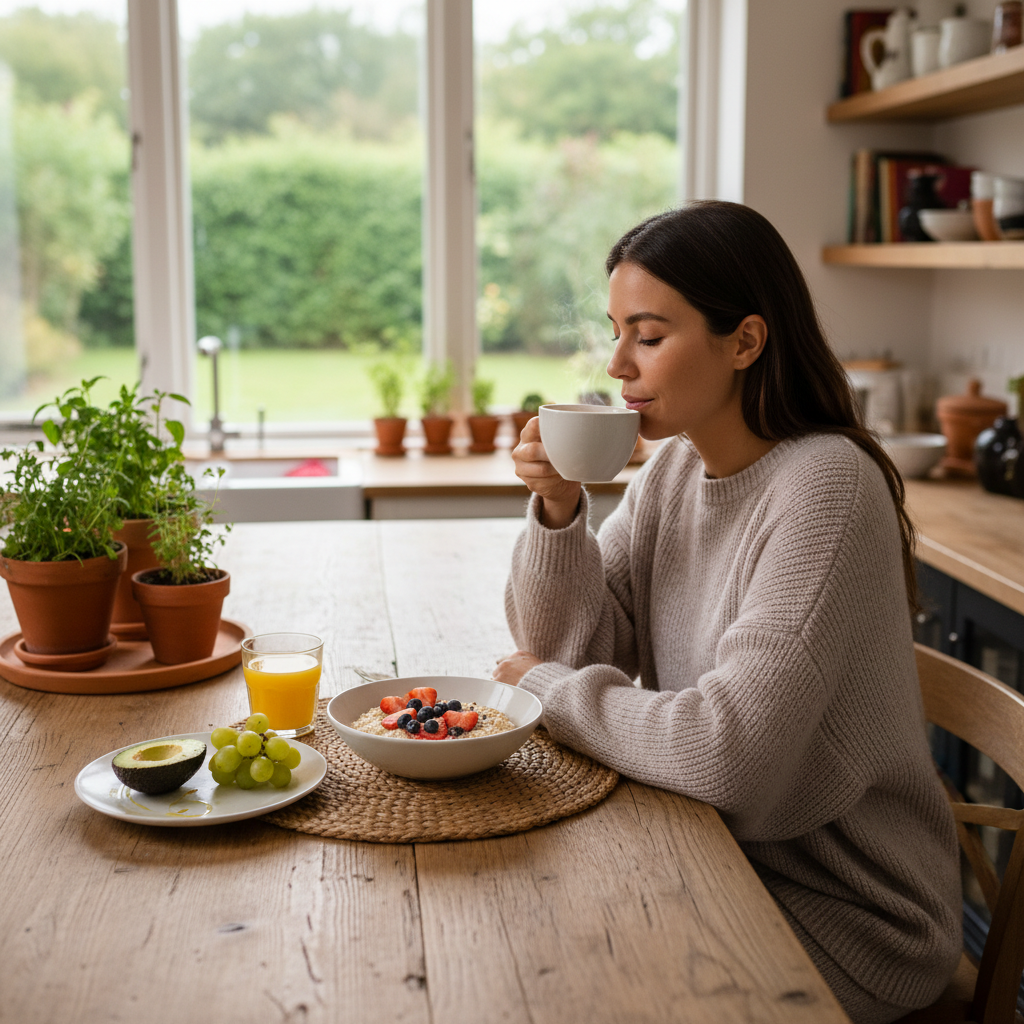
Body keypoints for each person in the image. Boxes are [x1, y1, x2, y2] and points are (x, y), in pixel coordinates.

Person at [495, 201, 962, 1024]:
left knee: (561, 971)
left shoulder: (825, 488)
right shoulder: (675, 469)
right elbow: (566, 644)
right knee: (523, 933)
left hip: (848, 915)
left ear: (745, 342)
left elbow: (725, 755)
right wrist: (561, 509)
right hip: (718, 852)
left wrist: (553, 692)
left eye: (648, 335)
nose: (616, 365)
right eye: (616, 333)